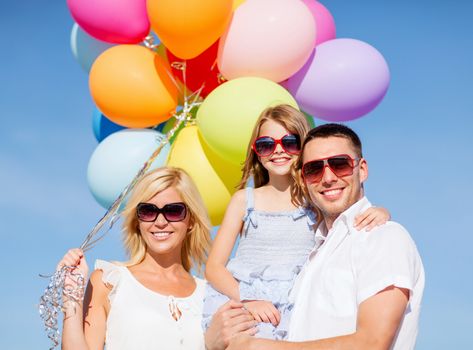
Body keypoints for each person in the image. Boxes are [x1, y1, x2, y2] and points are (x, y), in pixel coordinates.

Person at [208, 123, 425, 350]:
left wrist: (259, 347)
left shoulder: (382, 238)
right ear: (303, 179)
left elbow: (372, 343)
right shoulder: (315, 254)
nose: (328, 177)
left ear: (362, 170)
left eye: (340, 164)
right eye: (314, 169)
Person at [57, 167, 211, 350]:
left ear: (191, 220)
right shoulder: (109, 282)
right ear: (138, 221)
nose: (160, 222)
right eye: (148, 211)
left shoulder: (209, 295)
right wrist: (71, 298)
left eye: (174, 211)